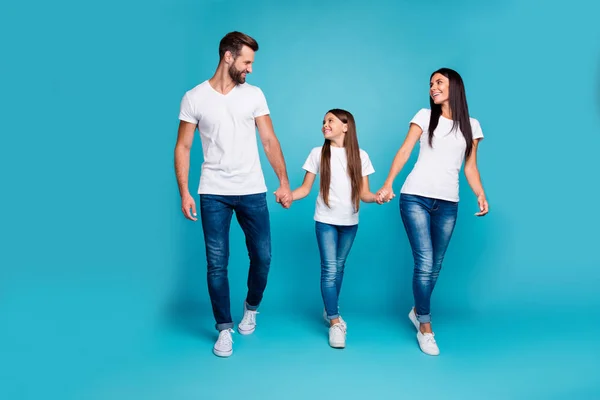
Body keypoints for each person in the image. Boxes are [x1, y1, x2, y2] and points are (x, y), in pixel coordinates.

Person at [174, 31, 292, 358]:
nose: (250, 69)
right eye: (246, 61)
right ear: (228, 56)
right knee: (216, 264)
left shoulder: (254, 95)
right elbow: (183, 146)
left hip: (252, 189)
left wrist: (283, 182)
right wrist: (184, 191)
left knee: (263, 257)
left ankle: (251, 306)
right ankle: (224, 329)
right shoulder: (194, 98)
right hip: (213, 192)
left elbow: (269, 140)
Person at [377, 68, 489, 356]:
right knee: (425, 260)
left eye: (439, 82)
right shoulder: (424, 117)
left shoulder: (472, 126)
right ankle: (425, 326)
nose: (433, 87)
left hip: (448, 203)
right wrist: (389, 183)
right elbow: (404, 151)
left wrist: (480, 193)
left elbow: (470, 167)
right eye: (431, 83)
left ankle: (417, 310)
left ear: (455, 87)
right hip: (415, 197)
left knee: (435, 265)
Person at [292, 109, 384, 349]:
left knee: (339, 268)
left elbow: (365, 194)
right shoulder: (317, 153)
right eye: (323, 121)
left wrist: (378, 197)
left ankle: (329, 308)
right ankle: (335, 322)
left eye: (330, 120)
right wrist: (288, 196)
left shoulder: (361, 156)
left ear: (346, 126)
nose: (325, 124)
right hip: (325, 221)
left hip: (350, 223)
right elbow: (304, 189)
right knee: (330, 269)